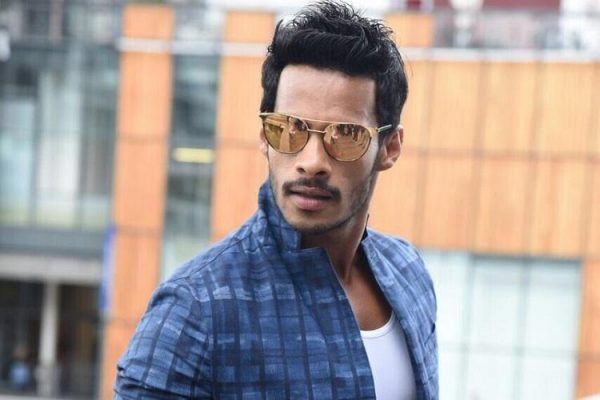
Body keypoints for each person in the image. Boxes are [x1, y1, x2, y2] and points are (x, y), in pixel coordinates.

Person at [114, 1, 438, 399]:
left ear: (390, 147)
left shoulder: (408, 274)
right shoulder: (195, 309)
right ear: (264, 136)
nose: (311, 162)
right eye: (289, 129)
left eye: (345, 135)